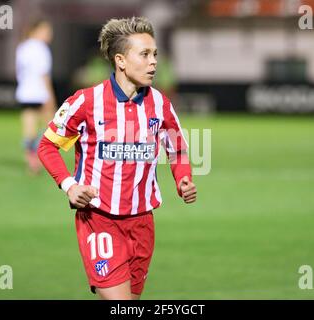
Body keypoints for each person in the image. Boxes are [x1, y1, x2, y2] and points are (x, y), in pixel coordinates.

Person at [37, 17, 197, 300]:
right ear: (121, 60)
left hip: (143, 223)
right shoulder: (86, 102)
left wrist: (183, 177)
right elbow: (47, 146)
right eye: (145, 54)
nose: (154, 62)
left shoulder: (160, 104)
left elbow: (177, 146)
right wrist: (70, 186)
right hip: (100, 219)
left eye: (155, 54)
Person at [15, 19, 56, 174]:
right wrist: (50, 96)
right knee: (50, 128)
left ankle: (30, 158)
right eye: (47, 31)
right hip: (40, 92)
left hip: (25, 92)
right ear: (37, 30)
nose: (50, 35)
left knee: (29, 129)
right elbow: (43, 74)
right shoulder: (41, 48)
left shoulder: (22, 47)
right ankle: (40, 158)